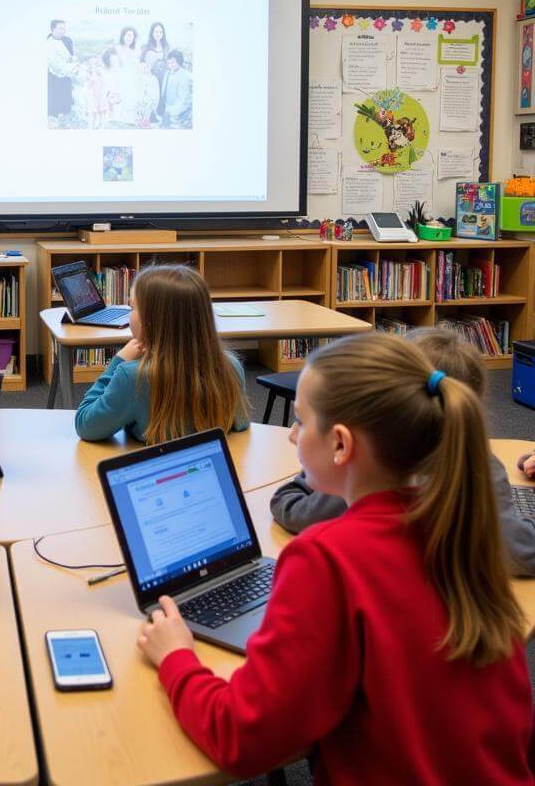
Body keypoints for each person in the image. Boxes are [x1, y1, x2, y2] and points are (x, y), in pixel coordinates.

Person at [136, 333, 533, 785]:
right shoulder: (464, 527)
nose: (292, 435)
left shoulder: (325, 559)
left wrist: (177, 659)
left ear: (341, 445)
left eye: (301, 422)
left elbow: (241, 738)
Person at [271, 327, 535, 576]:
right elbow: (523, 552)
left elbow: (296, 512)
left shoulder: (375, 470)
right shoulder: (482, 465)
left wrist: (308, 476)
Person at [75, 265, 248, 444]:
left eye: (132, 307)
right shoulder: (231, 365)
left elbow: (86, 425)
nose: (129, 314)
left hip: (154, 467)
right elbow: (240, 425)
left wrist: (118, 361)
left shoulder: (132, 376)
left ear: (152, 320)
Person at [46, 20, 77, 119]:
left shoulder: (67, 40)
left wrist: (73, 60)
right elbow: (55, 64)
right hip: (54, 74)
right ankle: (57, 114)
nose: (63, 31)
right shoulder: (48, 43)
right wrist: (72, 69)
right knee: (55, 94)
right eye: (60, 28)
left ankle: (65, 110)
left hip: (67, 72)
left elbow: (71, 55)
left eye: (64, 28)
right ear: (52, 29)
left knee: (66, 94)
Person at [159, 49, 192, 129]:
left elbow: (182, 99)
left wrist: (171, 112)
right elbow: (164, 93)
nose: (170, 65)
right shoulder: (167, 73)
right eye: (169, 62)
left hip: (179, 113)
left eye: (173, 62)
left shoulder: (185, 75)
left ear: (179, 62)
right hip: (166, 111)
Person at [115, 26, 141, 125]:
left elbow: (136, 66)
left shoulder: (135, 51)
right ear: (123, 36)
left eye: (132, 36)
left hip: (131, 77)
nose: (130, 38)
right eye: (128, 35)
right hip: (120, 77)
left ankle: (129, 119)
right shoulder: (117, 49)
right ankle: (118, 118)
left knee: (130, 97)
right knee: (120, 97)